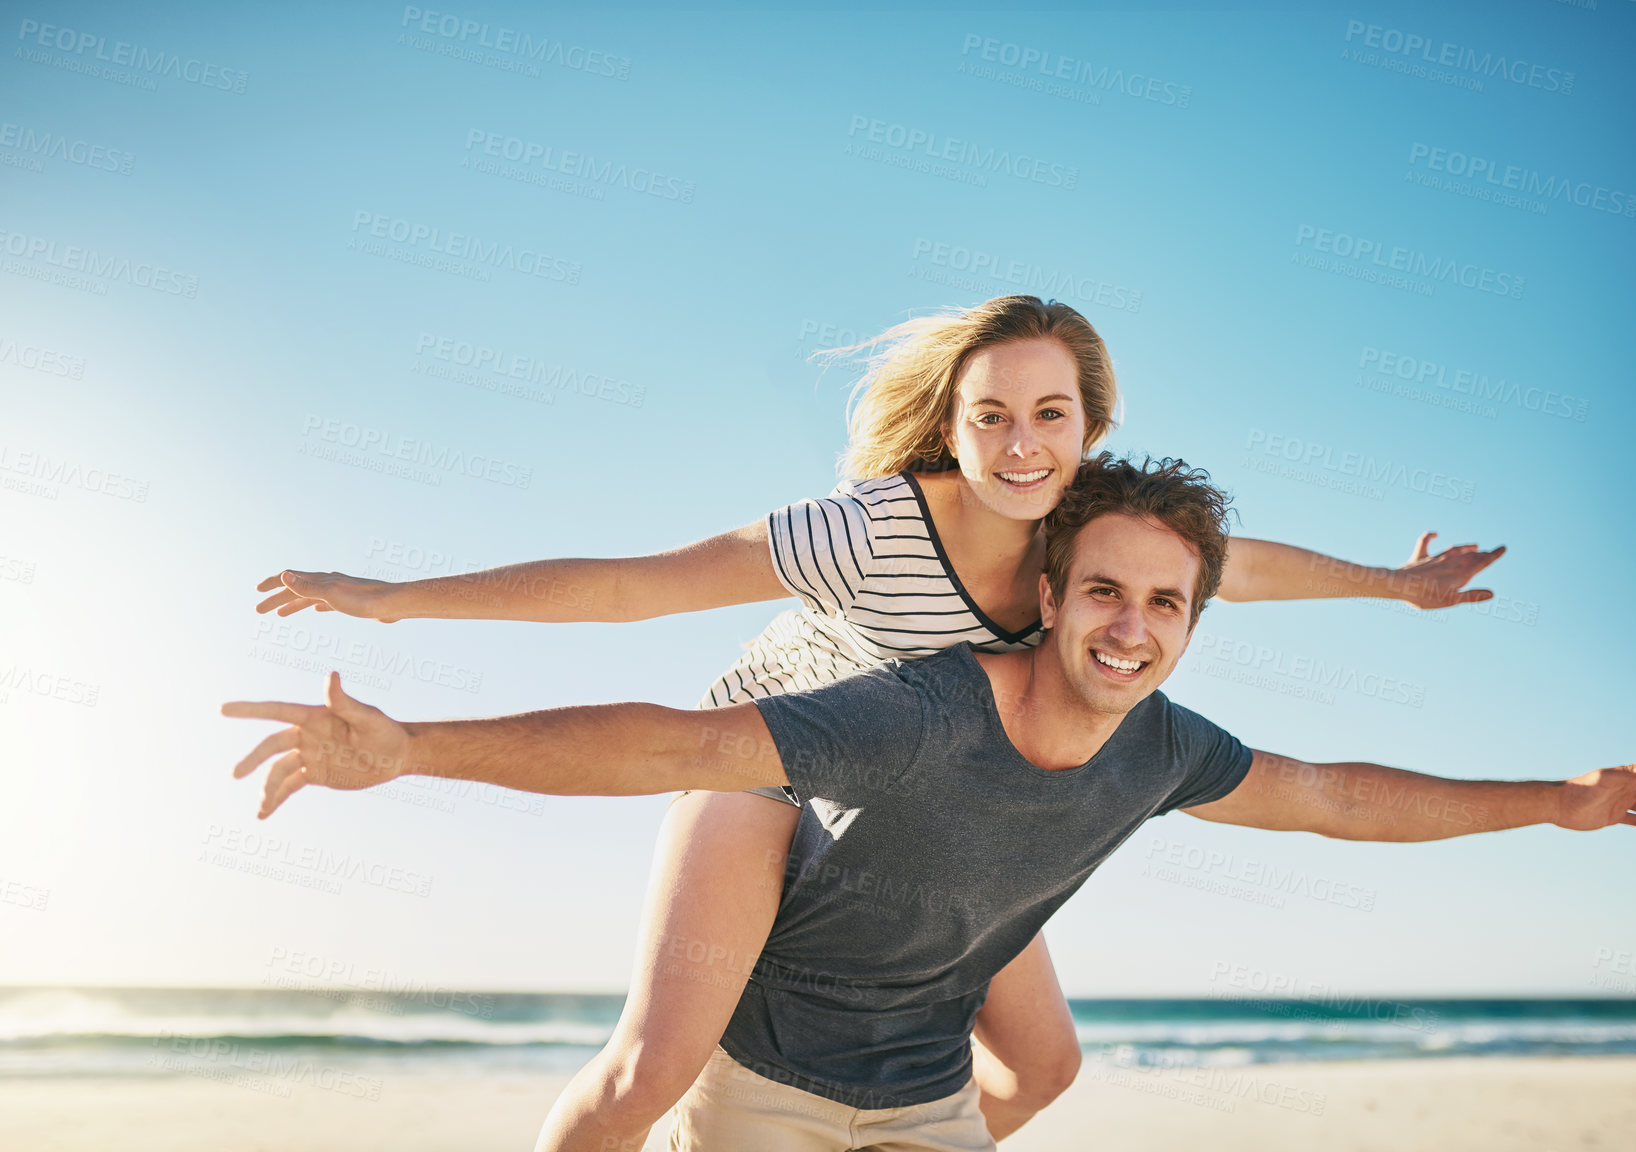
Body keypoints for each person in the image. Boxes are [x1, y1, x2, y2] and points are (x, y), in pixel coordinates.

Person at [249, 297, 1505, 1149]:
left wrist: (1395, 586)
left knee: (1047, 1065)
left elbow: (1242, 563)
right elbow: (641, 582)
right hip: (764, 764)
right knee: (655, 1069)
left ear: (1093, 426)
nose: (1023, 444)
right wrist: (399, 602)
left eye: (1052, 416)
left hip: (921, 792)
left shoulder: (1092, 541)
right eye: (993, 416)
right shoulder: (871, 528)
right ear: (953, 427)